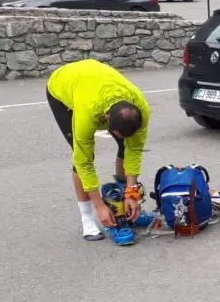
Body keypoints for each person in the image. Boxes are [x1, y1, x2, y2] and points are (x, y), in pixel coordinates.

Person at [46, 59, 151, 241]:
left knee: (125, 148)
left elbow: (133, 150)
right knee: (84, 156)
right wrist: (99, 206)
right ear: (106, 118)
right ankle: (87, 219)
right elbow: (83, 162)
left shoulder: (141, 109)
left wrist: (131, 193)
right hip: (62, 86)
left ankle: (122, 206)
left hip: (93, 78)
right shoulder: (87, 112)